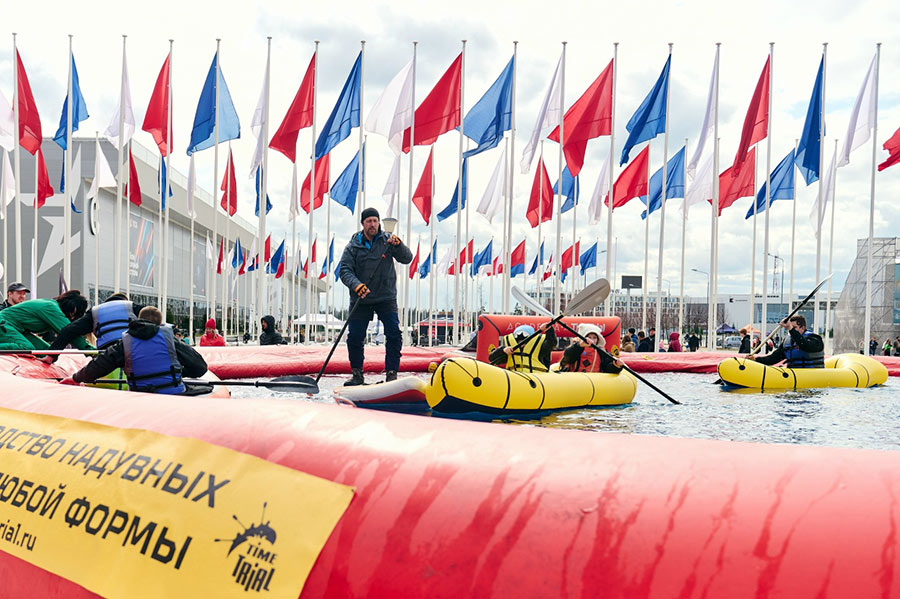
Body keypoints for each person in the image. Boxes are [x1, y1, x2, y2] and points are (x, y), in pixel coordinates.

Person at [339, 207, 413, 386]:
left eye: (375, 221)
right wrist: (356, 285)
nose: (372, 224)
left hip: (386, 296)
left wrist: (399, 245)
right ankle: (357, 374)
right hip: (361, 298)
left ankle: (392, 373)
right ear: (363, 224)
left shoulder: (388, 240)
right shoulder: (352, 246)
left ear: (378, 222)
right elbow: (345, 270)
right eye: (369, 221)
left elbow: (407, 258)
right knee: (355, 337)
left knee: (394, 334)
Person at [61, 306, 207, 394]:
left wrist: (76, 378)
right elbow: (200, 367)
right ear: (160, 324)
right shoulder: (171, 340)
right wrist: (177, 372)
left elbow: (99, 365)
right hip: (173, 394)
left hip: (140, 396)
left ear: (138, 319)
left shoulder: (124, 343)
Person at [47, 293, 137, 358]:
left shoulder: (96, 312)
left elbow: (68, 331)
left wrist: (51, 356)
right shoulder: (133, 307)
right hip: (133, 349)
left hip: (107, 354)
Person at [0, 291, 93, 350]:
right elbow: (70, 332)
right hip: (4, 324)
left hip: (17, 328)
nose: (72, 318)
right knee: (26, 347)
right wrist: (91, 351)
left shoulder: (51, 306)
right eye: (73, 314)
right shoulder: (51, 308)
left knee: (46, 351)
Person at [747, 315, 824, 369]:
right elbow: (773, 358)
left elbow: (805, 345)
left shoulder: (815, 339)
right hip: (795, 374)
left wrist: (791, 329)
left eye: (794, 328)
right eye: (789, 328)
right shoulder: (787, 342)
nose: (791, 331)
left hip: (812, 374)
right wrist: (756, 360)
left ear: (803, 328)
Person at [489, 323, 557, 373]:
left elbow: (551, 343)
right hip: (515, 379)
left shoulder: (540, 348)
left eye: (524, 342)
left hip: (536, 379)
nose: (522, 345)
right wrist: (503, 351)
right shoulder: (509, 350)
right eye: (519, 342)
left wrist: (549, 330)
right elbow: (492, 358)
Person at [558, 324, 623, 374]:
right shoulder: (577, 348)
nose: (592, 340)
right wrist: (580, 346)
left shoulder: (601, 351)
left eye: (594, 338)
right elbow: (568, 357)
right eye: (589, 337)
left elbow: (607, 366)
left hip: (593, 381)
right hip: (576, 380)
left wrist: (616, 365)